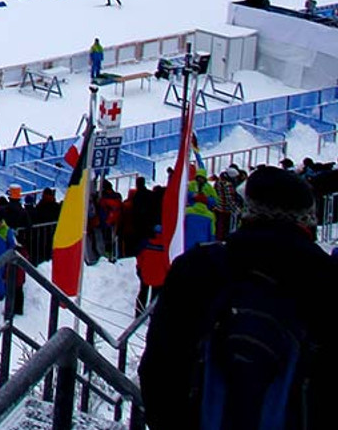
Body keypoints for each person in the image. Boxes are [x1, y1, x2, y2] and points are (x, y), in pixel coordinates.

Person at [140, 166, 338, 430]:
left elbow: (158, 368)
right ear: (308, 219)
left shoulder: (198, 269)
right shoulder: (328, 282)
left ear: (246, 210)